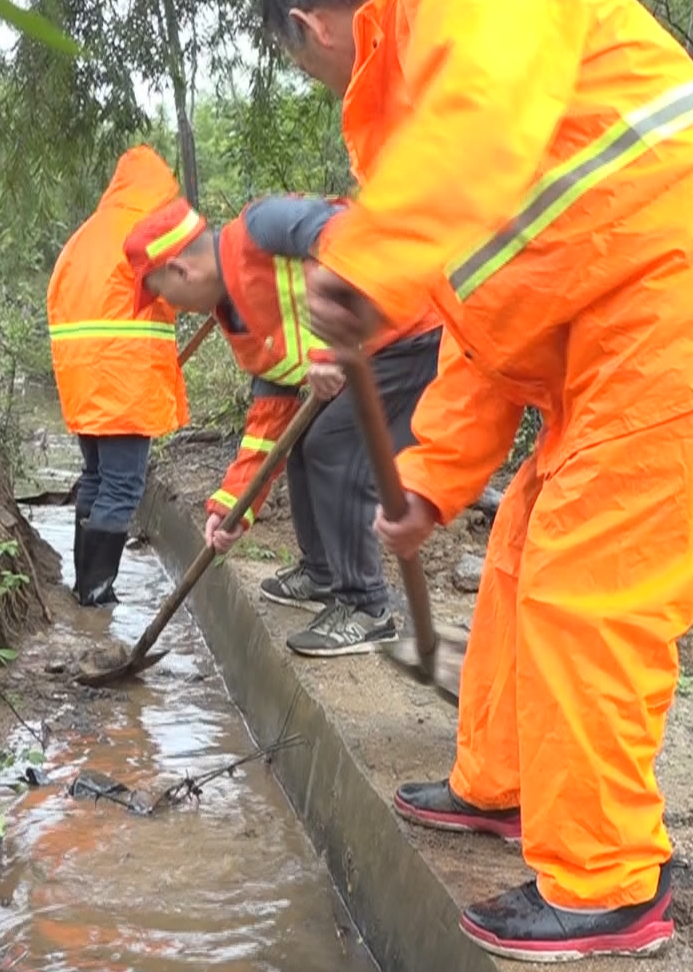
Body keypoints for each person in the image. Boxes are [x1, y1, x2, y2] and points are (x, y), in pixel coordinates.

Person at [258, 0, 693, 961]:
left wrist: (368, 260)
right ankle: (502, 785)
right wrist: (428, 483)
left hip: (685, 302)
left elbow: (478, 127)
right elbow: (481, 337)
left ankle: (606, 881)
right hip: (617, 335)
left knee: (593, 590)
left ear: (309, 24)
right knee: (526, 559)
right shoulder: (428, 109)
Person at [123, 195, 442, 657]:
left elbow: (345, 236)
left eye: (163, 294)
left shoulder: (260, 228)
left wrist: (331, 346)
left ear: (180, 270)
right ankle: (322, 574)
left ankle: (367, 609)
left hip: (412, 329)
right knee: (305, 441)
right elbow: (270, 421)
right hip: (368, 353)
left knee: (333, 446)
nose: (172, 306)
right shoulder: (238, 321)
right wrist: (232, 507)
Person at [46, 145, 191, 605]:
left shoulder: (83, 236)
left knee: (95, 476)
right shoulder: (147, 232)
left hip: (82, 381)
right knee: (123, 485)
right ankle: (97, 592)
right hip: (126, 380)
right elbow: (177, 293)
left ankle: (84, 587)